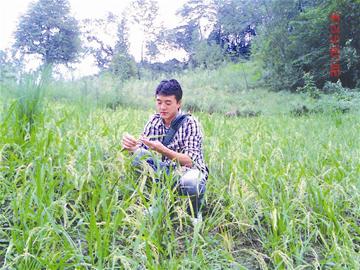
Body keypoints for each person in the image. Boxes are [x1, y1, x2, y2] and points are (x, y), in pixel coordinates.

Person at [122, 79, 208, 222]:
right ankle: (158, 203)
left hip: (186, 171)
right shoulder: (154, 121)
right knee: (138, 157)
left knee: (193, 182)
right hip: (165, 172)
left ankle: (193, 213)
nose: (162, 107)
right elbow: (143, 151)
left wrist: (162, 150)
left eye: (168, 103)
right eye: (159, 102)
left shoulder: (190, 123)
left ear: (179, 103)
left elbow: (190, 160)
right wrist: (131, 146)